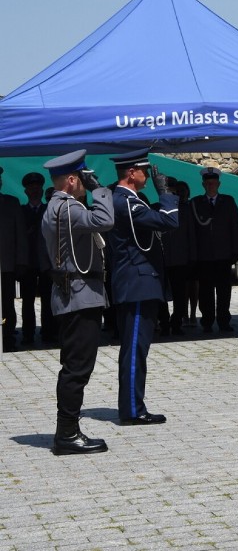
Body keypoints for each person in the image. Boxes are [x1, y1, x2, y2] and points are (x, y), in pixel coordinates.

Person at [41, 149, 113, 454]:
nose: (86, 183)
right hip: (79, 296)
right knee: (76, 368)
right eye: (82, 178)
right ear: (72, 180)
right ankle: (67, 434)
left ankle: (68, 430)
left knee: (75, 366)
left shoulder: (60, 206)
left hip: (77, 295)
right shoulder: (67, 209)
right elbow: (105, 219)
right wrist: (100, 189)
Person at [108, 148, 178, 426]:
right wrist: (167, 195)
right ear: (131, 173)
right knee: (135, 349)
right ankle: (133, 410)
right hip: (137, 283)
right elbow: (170, 221)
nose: (149, 176)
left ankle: (133, 405)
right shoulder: (126, 202)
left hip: (140, 281)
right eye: (144, 171)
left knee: (136, 348)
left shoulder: (128, 199)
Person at [190, 168, 238, 333]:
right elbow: (192, 231)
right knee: (205, 291)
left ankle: (224, 320)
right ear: (203, 184)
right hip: (204, 255)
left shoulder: (228, 201)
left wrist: (236, 250)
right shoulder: (196, 203)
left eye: (213, 183)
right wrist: (194, 254)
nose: (211, 186)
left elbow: (235, 227)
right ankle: (207, 321)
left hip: (223, 254)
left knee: (224, 291)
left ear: (218, 184)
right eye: (208, 183)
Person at [19, 171, 57, 346]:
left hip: (46, 263)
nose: (34, 190)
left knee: (48, 299)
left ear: (42, 191)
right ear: (26, 191)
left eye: (37, 187)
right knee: (27, 301)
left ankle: (48, 332)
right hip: (27, 262)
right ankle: (27, 334)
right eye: (31, 187)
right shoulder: (20, 211)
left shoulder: (48, 210)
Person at [157, 178, 195, 337]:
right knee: (161, 295)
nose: (171, 194)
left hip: (180, 258)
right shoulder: (157, 208)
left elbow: (191, 235)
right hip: (162, 258)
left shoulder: (185, 210)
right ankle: (164, 323)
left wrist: (192, 257)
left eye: (173, 191)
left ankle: (177, 322)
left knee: (180, 295)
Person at [0, 166, 28, 353]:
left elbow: (21, 236)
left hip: (6, 265)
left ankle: (7, 336)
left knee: (7, 304)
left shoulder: (11, 203)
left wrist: (21, 262)